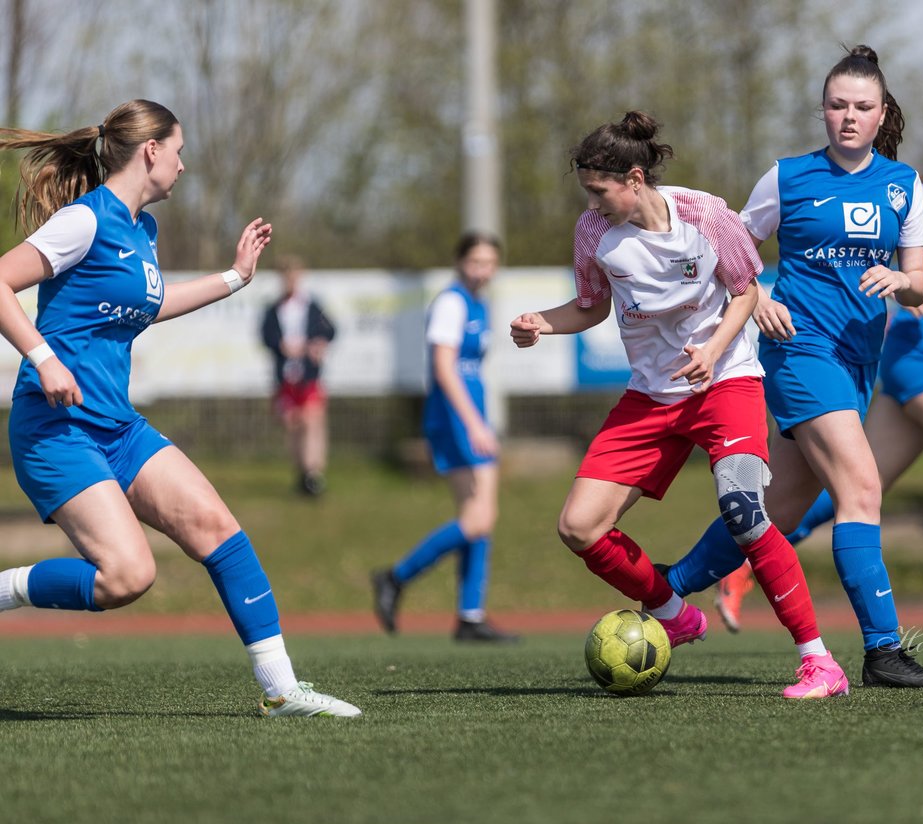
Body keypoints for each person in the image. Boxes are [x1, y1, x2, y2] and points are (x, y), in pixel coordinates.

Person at [670, 101, 923, 658]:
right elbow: (887, 262)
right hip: (920, 356)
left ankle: (710, 574)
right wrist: (909, 286)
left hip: (917, 363)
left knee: (837, 492)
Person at [0, 100, 358, 716]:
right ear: (151, 151)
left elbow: (150, 304)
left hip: (116, 426)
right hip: (56, 430)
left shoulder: (144, 232)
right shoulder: (85, 221)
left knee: (219, 529)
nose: (184, 165)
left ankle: (281, 691)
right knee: (127, 577)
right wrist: (43, 357)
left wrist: (236, 278)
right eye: (179, 150)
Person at [510, 111, 848, 699]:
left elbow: (746, 292)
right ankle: (673, 613)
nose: (592, 202)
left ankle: (820, 662)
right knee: (579, 526)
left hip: (727, 384)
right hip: (651, 397)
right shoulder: (593, 232)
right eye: (586, 190)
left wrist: (715, 350)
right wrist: (542, 321)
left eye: (600, 189)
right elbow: (590, 307)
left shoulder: (707, 215)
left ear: (635, 179)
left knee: (743, 510)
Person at [666, 46, 923, 688]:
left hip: (858, 360)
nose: (849, 116)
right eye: (837, 105)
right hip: (799, 349)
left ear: (882, 116)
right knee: (862, 491)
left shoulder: (905, 187)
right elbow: (724, 248)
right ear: (823, 110)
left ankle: (666, 592)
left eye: (862, 107)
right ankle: (882, 650)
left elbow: (918, 284)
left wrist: (899, 281)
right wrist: (760, 295)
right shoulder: (787, 177)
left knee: (782, 509)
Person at [371, 232, 517, 642]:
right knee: (479, 516)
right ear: (459, 261)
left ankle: (470, 616)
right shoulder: (451, 303)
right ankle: (396, 577)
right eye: (475, 261)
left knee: (480, 515)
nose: (483, 270)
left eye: (490, 262)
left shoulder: (480, 304)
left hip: (472, 413)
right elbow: (443, 367)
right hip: (454, 416)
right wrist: (473, 423)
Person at [260, 255, 336, 497]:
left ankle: (314, 474)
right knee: (293, 424)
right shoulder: (274, 310)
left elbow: (331, 330)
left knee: (313, 421)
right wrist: (281, 345)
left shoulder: (313, 307)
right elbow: (266, 337)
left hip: (309, 376)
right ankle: (303, 472)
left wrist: (318, 344)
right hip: (286, 378)